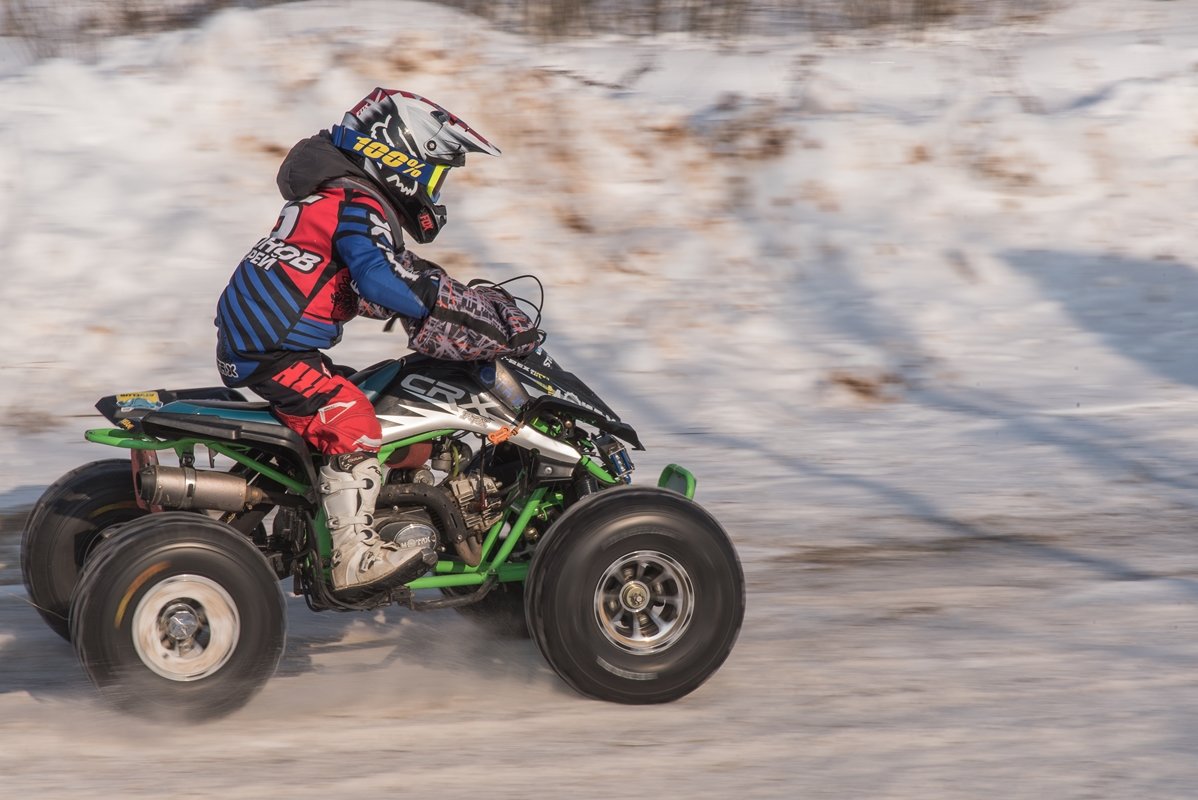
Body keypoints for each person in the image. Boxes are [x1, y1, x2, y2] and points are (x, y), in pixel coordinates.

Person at [214, 88, 501, 594]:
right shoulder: (358, 201)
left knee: (377, 394)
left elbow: (328, 278)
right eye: (434, 173)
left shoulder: (330, 193)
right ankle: (352, 559)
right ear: (398, 155)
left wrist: (404, 296)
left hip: (264, 343)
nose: (434, 189)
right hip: (272, 352)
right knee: (351, 417)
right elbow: (375, 276)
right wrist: (440, 304)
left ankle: (316, 510)